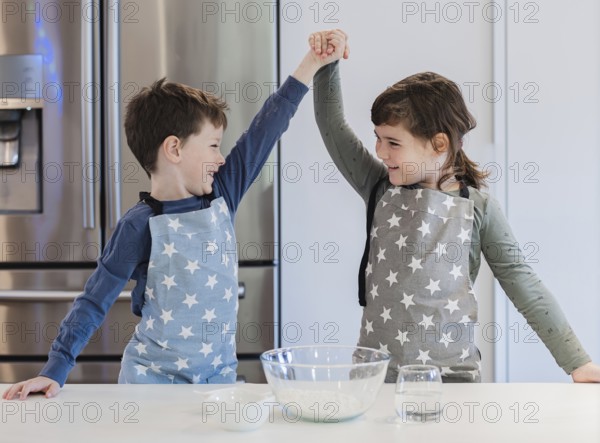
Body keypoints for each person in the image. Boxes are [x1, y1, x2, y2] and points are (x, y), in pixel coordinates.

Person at [2, 30, 349, 400]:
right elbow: (94, 300)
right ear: (174, 149)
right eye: (213, 146)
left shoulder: (222, 194)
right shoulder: (138, 225)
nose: (221, 158)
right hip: (151, 387)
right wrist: (56, 369)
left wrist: (312, 62)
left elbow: (267, 127)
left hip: (217, 381)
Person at [310, 30, 600, 383]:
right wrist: (328, 63)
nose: (380, 151)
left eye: (393, 142)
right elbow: (333, 126)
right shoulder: (379, 187)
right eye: (377, 138)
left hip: (453, 381)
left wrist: (577, 362)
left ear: (438, 143)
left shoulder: (478, 208)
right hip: (377, 379)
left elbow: (522, 281)